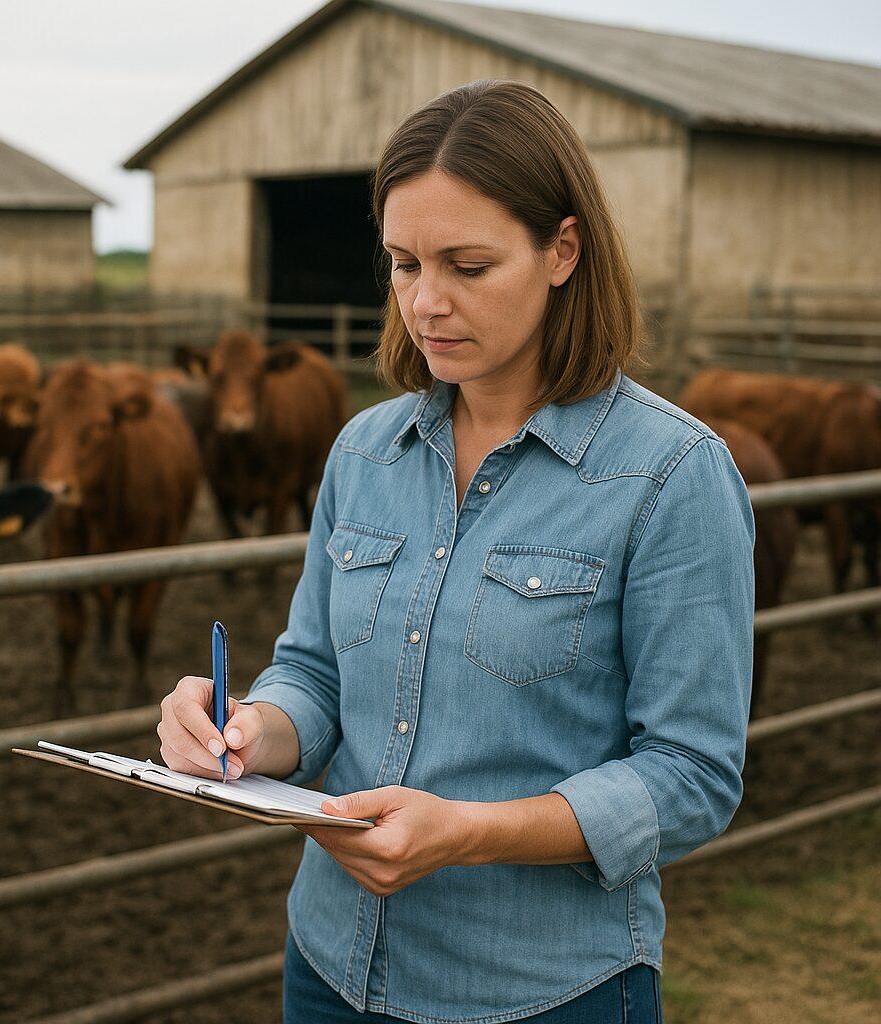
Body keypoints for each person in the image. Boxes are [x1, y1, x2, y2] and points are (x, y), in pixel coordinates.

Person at [158, 79, 754, 1024]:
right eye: (403, 264)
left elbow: (691, 774)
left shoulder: (672, 475)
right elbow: (315, 673)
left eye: (468, 266)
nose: (425, 303)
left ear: (563, 251)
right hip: (327, 965)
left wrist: (469, 833)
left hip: (541, 992)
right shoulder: (364, 451)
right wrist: (244, 732)